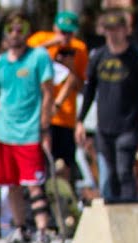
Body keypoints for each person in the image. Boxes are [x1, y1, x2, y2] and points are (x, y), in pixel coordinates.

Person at [75, 10, 138, 202]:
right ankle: (111, 220)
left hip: (128, 126)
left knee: (124, 171)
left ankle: (127, 213)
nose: (113, 34)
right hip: (104, 127)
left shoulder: (137, 57)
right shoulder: (98, 56)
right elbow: (89, 91)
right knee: (109, 176)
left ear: (125, 30)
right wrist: (80, 120)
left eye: (117, 29)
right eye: (109, 30)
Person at [0, 13, 55, 243]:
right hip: (3, 132)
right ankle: (20, 227)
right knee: (11, 183)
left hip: (29, 131)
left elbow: (48, 93)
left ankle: (43, 230)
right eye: (11, 30)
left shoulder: (38, 57)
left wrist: (45, 126)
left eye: (20, 29)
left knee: (34, 184)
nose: (15, 34)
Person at [28, 10, 87, 181]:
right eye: (62, 31)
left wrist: (71, 67)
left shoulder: (79, 49)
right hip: (40, 115)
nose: (66, 36)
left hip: (65, 116)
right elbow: (23, 55)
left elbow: (81, 85)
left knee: (65, 164)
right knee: (40, 162)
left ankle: (63, 199)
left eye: (69, 33)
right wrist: (52, 44)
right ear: (55, 28)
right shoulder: (41, 39)